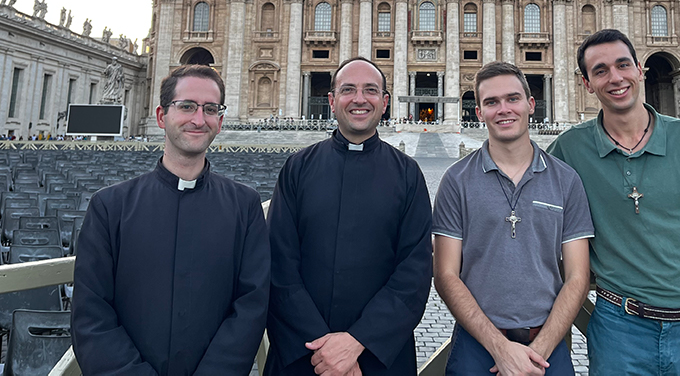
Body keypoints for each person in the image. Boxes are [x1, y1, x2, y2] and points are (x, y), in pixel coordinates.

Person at [547, 29, 680, 376]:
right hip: (620, 329)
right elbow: (525, 196)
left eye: (623, 65)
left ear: (640, 69)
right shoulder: (570, 149)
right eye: (600, 71)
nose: (615, 78)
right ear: (586, 84)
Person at [72, 65, 270, 375]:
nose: (198, 119)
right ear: (162, 116)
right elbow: (91, 314)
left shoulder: (245, 206)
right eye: (187, 106)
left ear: (220, 121)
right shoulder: (109, 207)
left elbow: (251, 306)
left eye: (210, 109)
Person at [265, 57, 432, 375]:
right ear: (331, 101)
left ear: (384, 103)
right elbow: (279, 264)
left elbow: (414, 271)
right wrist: (326, 351)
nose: (359, 99)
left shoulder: (408, 174)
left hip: (378, 355)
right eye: (348, 90)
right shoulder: (298, 168)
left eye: (370, 90)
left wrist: (358, 342)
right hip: (306, 355)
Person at [434, 61, 593, 376]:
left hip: (547, 345)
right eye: (491, 102)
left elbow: (578, 277)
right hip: (477, 345)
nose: (503, 109)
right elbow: (446, 275)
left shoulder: (567, 180)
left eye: (512, 99)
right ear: (479, 112)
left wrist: (538, 352)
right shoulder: (455, 180)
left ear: (530, 104)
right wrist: (500, 348)